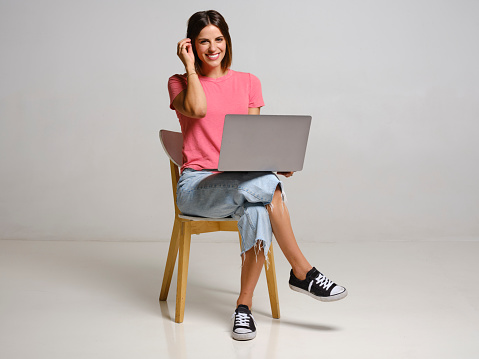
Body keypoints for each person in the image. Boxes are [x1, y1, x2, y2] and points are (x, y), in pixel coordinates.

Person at [168, 10, 347, 341]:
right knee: (265, 187)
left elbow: (251, 145)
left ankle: (243, 307)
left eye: (218, 39)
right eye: (203, 41)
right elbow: (197, 109)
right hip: (197, 188)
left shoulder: (249, 82)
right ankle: (302, 271)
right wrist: (191, 68)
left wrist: (276, 162)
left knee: (257, 205)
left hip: (240, 185)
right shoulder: (179, 82)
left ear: (228, 41)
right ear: (191, 45)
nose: (212, 48)